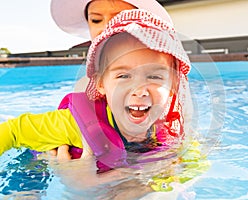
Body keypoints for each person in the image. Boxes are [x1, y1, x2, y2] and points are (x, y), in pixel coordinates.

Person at [0, 10, 207, 194]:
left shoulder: (166, 127)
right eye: (123, 76)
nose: (140, 90)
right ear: (100, 84)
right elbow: (13, 130)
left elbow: (195, 159)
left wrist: (155, 185)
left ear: (173, 86)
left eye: (155, 77)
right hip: (33, 172)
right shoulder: (73, 124)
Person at [49, 0, 174, 158]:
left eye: (121, 18)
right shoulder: (84, 86)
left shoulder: (169, 86)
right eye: (96, 20)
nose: (108, 27)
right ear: (100, 83)